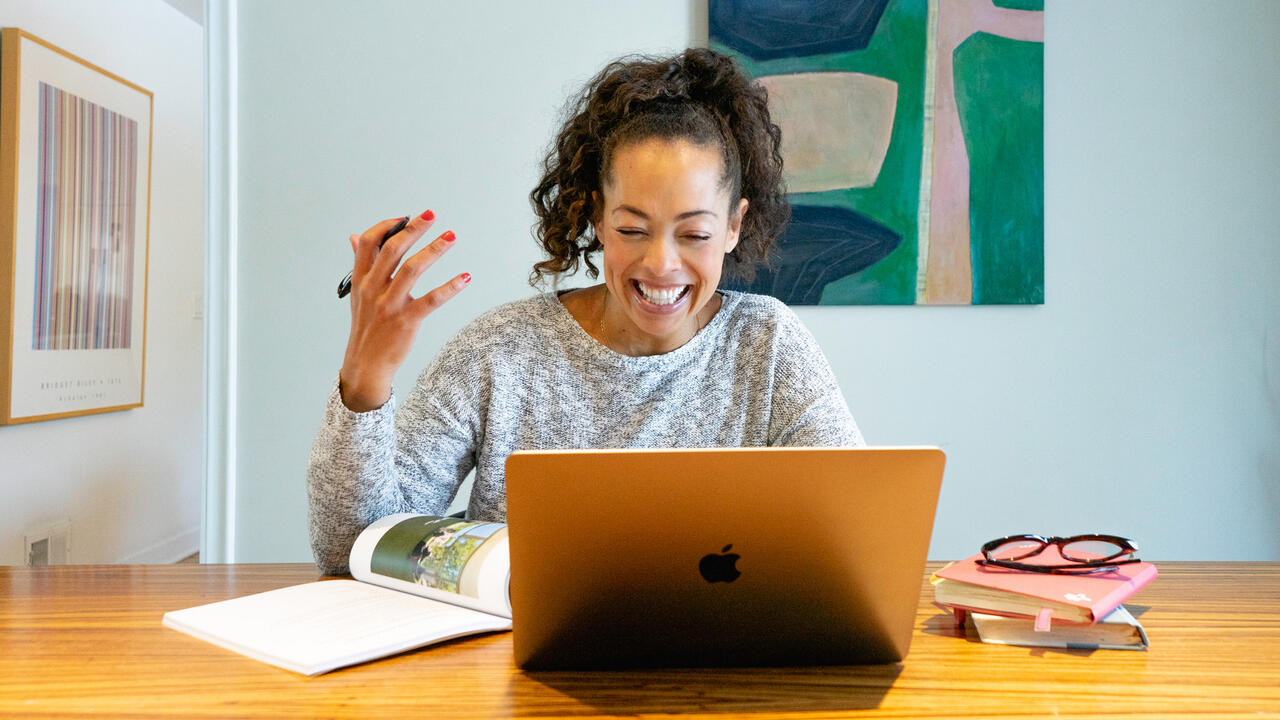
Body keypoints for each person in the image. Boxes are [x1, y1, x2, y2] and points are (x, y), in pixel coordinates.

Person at [307, 48, 864, 574]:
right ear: (597, 217)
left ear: (734, 226)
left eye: (694, 233)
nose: (661, 263)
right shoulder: (499, 351)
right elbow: (349, 550)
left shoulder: (768, 346)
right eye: (632, 229)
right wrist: (366, 376)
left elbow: (854, 536)